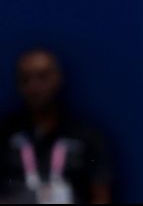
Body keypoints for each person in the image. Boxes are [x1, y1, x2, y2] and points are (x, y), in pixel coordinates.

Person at [0, 49, 112, 203]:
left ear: (58, 79)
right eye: (25, 79)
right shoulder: (4, 134)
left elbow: (101, 197)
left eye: (42, 77)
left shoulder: (87, 135)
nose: (34, 87)